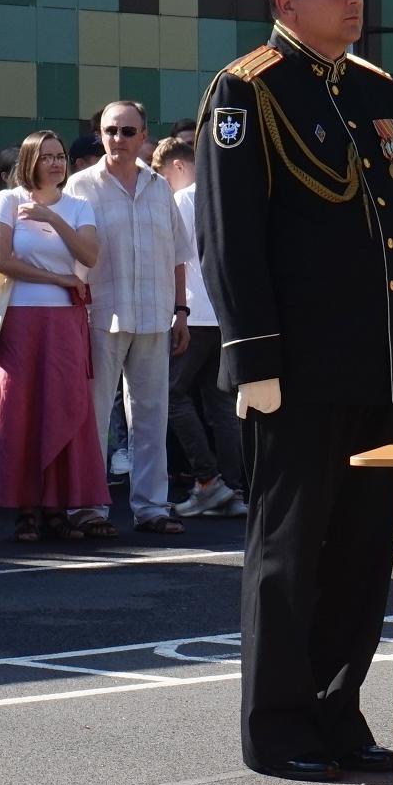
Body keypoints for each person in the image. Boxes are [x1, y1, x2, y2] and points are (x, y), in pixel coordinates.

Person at [195, 0, 393, 781]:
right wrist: (252, 357)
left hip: (371, 367)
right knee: (289, 554)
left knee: (365, 553)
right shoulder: (248, 89)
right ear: (285, 1)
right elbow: (233, 235)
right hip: (294, 372)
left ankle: (339, 712)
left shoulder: (373, 90)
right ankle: (281, 727)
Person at [63, 100, 191, 534]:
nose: (117, 139)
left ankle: (152, 507)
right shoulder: (79, 186)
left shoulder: (159, 186)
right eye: (110, 130)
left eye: (126, 131)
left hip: (156, 314)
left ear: (142, 136)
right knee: (94, 417)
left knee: (152, 417)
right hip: (100, 314)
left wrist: (181, 311)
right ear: (99, 134)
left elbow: (178, 256)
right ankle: (90, 507)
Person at [0, 130, 106, 540]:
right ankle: (26, 508)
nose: (56, 164)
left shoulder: (78, 206)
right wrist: (55, 276)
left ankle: (57, 505)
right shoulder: (7, 200)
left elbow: (89, 256)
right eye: (46, 156)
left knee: (64, 405)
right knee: (19, 410)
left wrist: (53, 218)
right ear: (29, 160)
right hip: (19, 317)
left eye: (60, 157)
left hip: (65, 320)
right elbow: (2, 260)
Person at [153, 136, 246, 518]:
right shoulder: (223, 197)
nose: (162, 182)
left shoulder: (181, 199)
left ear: (176, 166)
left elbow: (171, 258)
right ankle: (233, 488)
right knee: (220, 402)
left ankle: (209, 481)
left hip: (191, 313)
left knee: (171, 396)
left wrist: (178, 312)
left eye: (161, 175)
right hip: (223, 315)